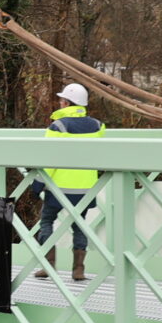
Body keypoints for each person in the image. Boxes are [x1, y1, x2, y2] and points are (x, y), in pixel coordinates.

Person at [31, 82, 103, 282]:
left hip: (58, 188)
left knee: (46, 221)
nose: (60, 102)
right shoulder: (98, 126)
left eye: (61, 100)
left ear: (66, 103)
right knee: (79, 226)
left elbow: (49, 158)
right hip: (85, 189)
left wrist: (37, 184)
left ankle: (48, 266)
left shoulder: (58, 126)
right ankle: (78, 270)